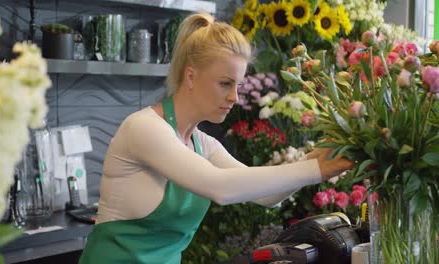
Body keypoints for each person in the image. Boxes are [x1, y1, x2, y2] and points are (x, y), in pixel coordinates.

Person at [78, 12, 354, 264]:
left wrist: (316, 158)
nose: (234, 97)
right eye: (225, 83)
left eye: (238, 85)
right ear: (190, 76)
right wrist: (316, 169)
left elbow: (267, 196)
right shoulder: (144, 129)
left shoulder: (203, 144)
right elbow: (220, 187)